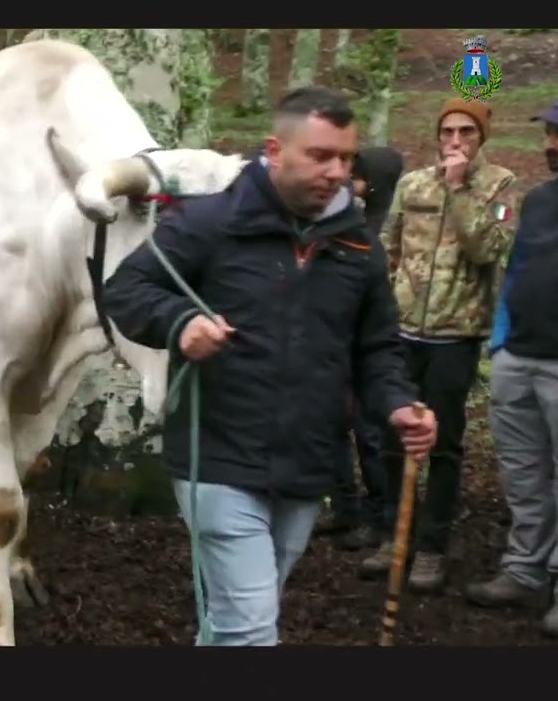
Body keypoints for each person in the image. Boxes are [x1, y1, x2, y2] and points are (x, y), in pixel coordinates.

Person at [102, 86, 436, 646]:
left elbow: (376, 348)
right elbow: (127, 290)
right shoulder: (209, 222)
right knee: (252, 628)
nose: (336, 172)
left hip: (307, 462)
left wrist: (399, 403)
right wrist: (181, 323)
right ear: (275, 151)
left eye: (346, 158)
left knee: (236, 618)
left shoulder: (357, 247)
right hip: (217, 459)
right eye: (320, 156)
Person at [360, 98, 520, 592]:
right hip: (404, 330)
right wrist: (383, 309)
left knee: (444, 443)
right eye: (448, 131)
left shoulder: (501, 186)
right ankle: (393, 534)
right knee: (392, 435)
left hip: (456, 334)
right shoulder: (413, 184)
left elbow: (488, 249)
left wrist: (459, 189)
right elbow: (389, 247)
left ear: (481, 137)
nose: (455, 141)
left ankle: (432, 547)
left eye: (466, 132)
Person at [464, 100, 558, 637]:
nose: (550, 145)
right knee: (524, 475)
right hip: (518, 358)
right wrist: (500, 341)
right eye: (548, 134)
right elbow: (517, 269)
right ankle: (524, 571)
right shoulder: (539, 200)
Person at [322, 146, 407, 550]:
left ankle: (377, 514)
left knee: (368, 434)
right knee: (334, 427)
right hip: (335, 340)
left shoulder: (377, 229)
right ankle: (345, 506)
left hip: (364, 346)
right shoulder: (346, 218)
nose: (347, 181)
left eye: (357, 176)